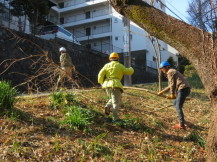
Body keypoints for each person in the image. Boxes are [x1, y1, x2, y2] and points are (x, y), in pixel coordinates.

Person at [98, 52, 134, 123]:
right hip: (116, 85)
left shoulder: (106, 65)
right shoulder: (119, 65)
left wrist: (101, 82)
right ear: (117, 58)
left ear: (110, 59)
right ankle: (115, 119)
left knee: (113, 98)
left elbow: (100, 74)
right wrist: (131, 68)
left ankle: (108, 106)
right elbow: (128, 72)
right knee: (116, 102)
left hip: (107, 85)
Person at [158, 61, 191, 129]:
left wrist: (172, 94)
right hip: (185, 89)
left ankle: (181, 124)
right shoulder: (172, 71)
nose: (161, 70)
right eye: (161, 68)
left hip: (182, 89)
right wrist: (162, 92)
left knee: (178, 106)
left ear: (166, 67)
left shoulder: (170, 72)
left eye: (162, 68)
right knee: (175, 103)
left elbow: (172, 84)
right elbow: (171, 85)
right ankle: (182, 121)